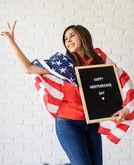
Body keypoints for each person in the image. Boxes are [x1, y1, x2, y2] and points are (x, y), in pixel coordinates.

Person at [0, 22, 131, 165]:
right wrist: (11, 41)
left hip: (92, 123)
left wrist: (126, 107)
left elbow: (121, 79)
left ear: (83, 36)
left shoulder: (99, 57)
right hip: (68, 123)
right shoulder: (62, 63)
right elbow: (29, 68)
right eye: (65, 38)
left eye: (72, 35)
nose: (67, 40)